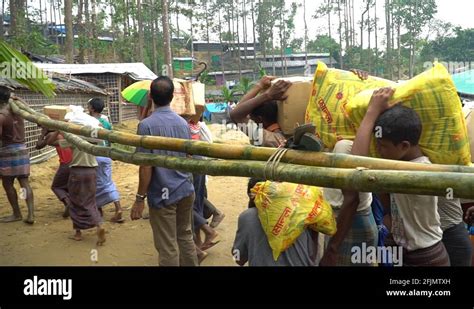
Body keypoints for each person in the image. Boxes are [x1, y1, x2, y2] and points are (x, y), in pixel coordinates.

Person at [350, 87, 449, 266]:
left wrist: (371, 112)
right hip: (407, 252)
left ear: (404, 146)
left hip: (425, 258)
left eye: (382, 145)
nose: (378, 151)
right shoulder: (397, 164)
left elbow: (355, 165)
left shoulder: (420, 171)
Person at [131, 76, 198, 266]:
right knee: (185, 236)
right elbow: (188, 157)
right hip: (185, 189)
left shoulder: (146, 125)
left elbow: (146, 166)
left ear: (150, 96)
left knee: (167, 245)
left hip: (163, 193)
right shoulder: (183, 123)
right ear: (171, 97)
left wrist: (139, 199)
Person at [232, 178, 319, 266]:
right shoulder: (302, 211)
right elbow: (312, 253)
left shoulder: (247, 217)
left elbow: (238, 259)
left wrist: (236, 251)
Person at [320, 140, 379, 266]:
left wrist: (332, 249)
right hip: (344, 222)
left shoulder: (344, 145)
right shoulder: (332, 143)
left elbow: (351, 199)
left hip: (349, 223)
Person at [58, 122, 106, 245]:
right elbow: (102, 137)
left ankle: (78, 233)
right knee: (90, 201)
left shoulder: (74, 139)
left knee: (74, 202)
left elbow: (61, 144)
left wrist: (60, 128)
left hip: (77, 172)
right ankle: (99, 223)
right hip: (92, 172)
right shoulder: (94, 140)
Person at [0, 87, 35, 224]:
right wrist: (18, 99)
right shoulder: (18, 110)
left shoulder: (2, 115)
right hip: (22, 148)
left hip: (7, 151)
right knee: (24, 182)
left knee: (8, 183)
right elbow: (28, 108)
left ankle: (17, 213)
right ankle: (31, 214)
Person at [88, 98, 123, 223]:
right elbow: (111, 138)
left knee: (96, 183)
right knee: (107, 181)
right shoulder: (105, 122)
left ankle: (101, 209)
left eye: (88, 106)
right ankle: (116, 208)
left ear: (92, 109)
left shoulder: (87, 122)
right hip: (106, 156)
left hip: (94, 155)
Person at [229, 76, 291, 148]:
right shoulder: (288, 132)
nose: (250, 119)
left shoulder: (265, 138)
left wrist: (266, 93)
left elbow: (235, 115)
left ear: (259, 119)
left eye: (251, 118)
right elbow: (238, 110)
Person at [36, 126, 72, 218]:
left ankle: (68, 203)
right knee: (68, 186)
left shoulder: (51, 135)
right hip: (75, 163)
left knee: (56, 187)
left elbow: (38, 145)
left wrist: (43, 134)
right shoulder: (66, 133)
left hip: (65, 164)